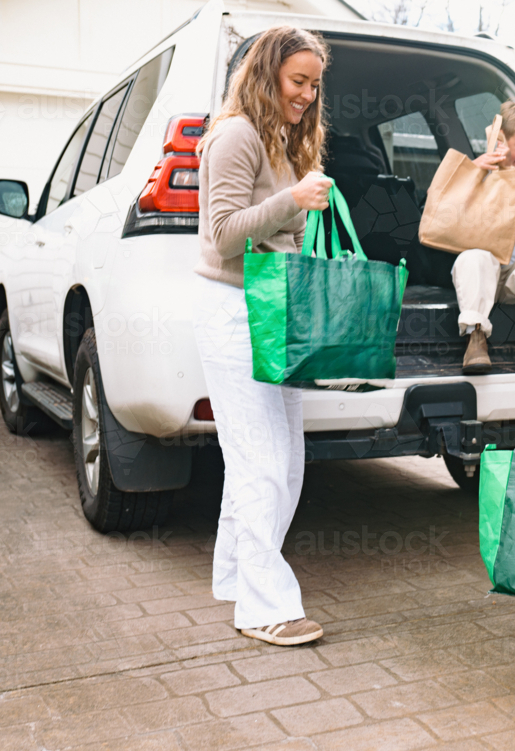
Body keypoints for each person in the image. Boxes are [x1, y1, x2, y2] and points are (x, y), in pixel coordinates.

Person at [192, 25, 333, 647]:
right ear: (266, 73)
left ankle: (232, 576)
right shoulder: (235, 134)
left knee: (285, 463)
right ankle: (263, 606)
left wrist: (300, 221)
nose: (306, 94)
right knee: (262, 463)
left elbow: (277, 236)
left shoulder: (281, 138)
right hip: (232, 308)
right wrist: (293, 200)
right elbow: (222, 233)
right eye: (297, 81)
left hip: (274, 312)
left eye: (313, 85)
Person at [453, 99, 515, 374]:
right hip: (480, 271)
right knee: (474, 256)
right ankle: (475, 338)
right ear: (501, 138)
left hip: (511, 273)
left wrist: (510, 172)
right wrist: (476, 169)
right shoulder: (478, 169)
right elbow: (450, 203)